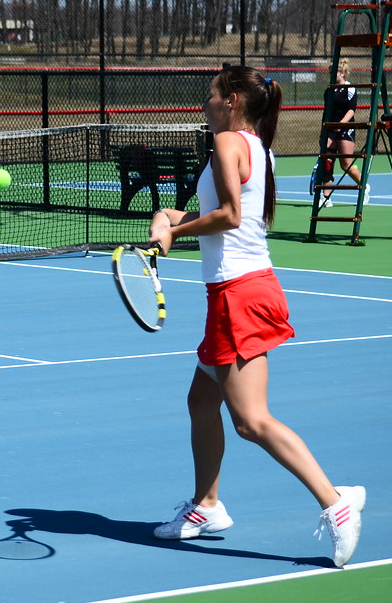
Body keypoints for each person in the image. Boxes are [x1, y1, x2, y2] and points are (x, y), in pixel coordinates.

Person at [147, 65, 365, 568]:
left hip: (239, 295)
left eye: (211, 95)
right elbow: (223, 216)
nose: (205, 103)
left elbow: (229, 217)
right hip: (239, 290)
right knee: (201, 401)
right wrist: (168, 218)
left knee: (250, 421)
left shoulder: (227, 144)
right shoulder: (257, 147)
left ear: (234, 101)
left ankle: (337, 504)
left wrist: (175, 235)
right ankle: (207, 506)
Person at [320, 58, 368, 208]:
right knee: (327, 161)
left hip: (346, 128)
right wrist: (323, 131)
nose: (330, 73)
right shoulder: (329, 90)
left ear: (342, 72)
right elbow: (326, 112)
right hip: (330, 130)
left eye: (332, 71)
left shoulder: (350, 88)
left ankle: (364, 187)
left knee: (345, 164)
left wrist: (342, 124)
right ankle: (326, 197)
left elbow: (351, 109)